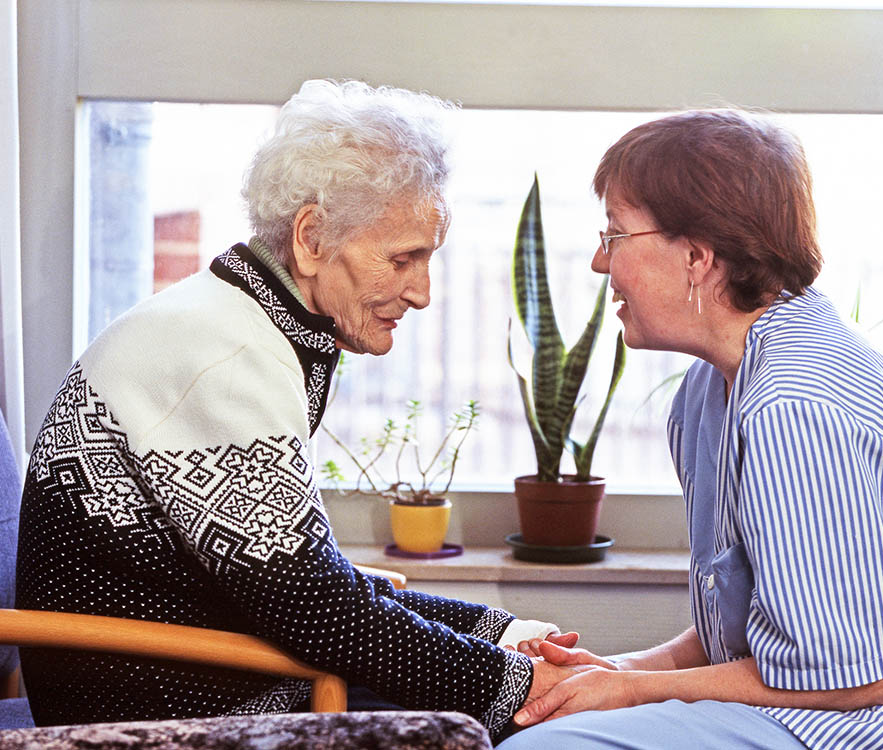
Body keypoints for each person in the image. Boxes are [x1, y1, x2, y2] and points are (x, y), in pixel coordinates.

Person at [16, 79, 577, 738]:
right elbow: (316, 609)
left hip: (217, 663)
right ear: (311, 237)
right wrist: (521, 680)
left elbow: (305, 584)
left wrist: (509, 635)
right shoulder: (220, 354)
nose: (422, 292)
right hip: (152, 707)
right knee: (522, 725)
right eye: (403, 259)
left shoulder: (248, 321)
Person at [499, 109, 883, 750]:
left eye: (615, 235)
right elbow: (758, 632)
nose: (600, 261)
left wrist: (627, 692)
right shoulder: (712, 389)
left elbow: (852, 679)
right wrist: (621, 669)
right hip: (828, 700)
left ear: (698, 258)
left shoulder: (795, 405)